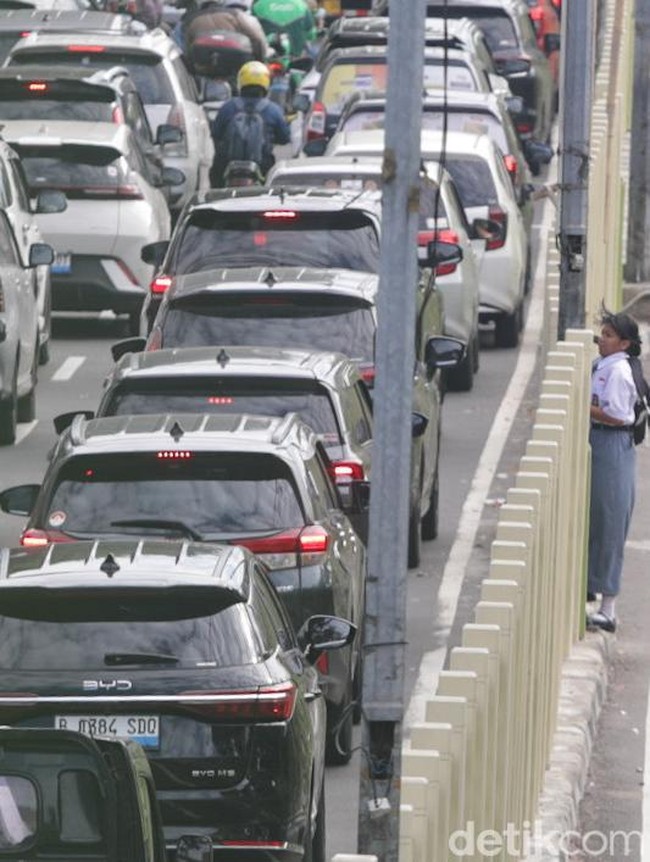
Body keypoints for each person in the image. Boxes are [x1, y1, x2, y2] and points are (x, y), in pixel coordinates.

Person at [586, 308, 642, 633]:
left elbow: (619, 416)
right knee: (595, 520)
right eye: (602, 334)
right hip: (600, 442)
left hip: (612, 444)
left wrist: (584, 404)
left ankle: (608, 609)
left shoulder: (619, 372)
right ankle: (592, 593)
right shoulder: (603, 365)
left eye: (608, 336)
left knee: (610, 522)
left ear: (624, 343)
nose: (601, 340)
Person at [210, 60, 290, 186]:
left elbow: (216, 133)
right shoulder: (273, 110)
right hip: (262, 166)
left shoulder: (228, 107)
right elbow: (285, 138)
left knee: (215, 183)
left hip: (227, 166)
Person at [183, 0, 269, 64]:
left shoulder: (192, 21)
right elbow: (258, 40)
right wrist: (259, 62)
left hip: (203, 69)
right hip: (235, 67)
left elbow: (185, 49)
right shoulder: (236, 16)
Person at [252, 0, 316, 61]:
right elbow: (311, 34)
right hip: (294, 57)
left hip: (265, 56)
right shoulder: (301, 6)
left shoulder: (258, 5)